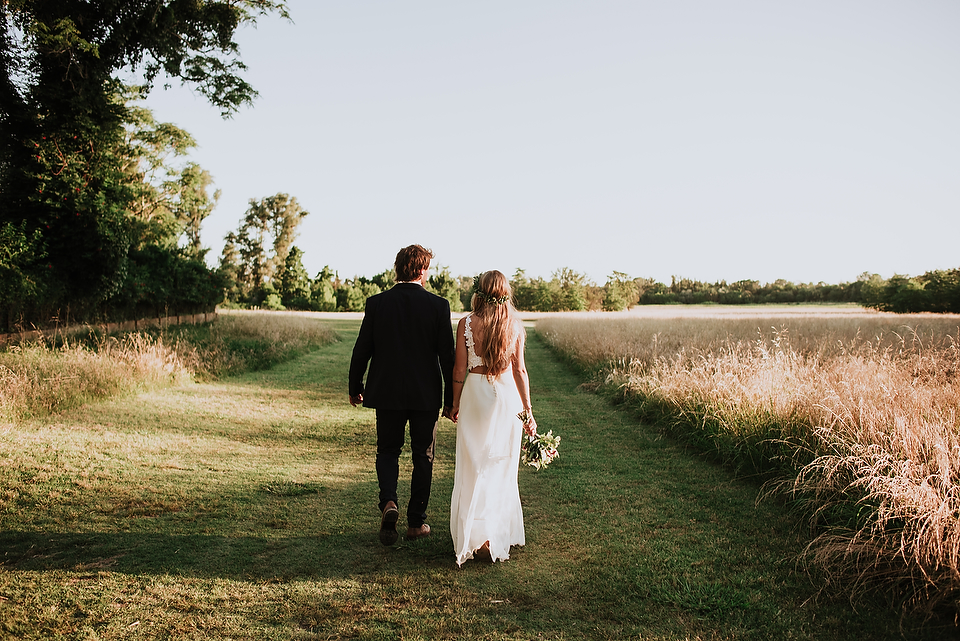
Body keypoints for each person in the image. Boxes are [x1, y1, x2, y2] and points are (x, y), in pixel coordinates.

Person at [348, 244, 455, 546]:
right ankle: (415, 522)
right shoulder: (438, 306)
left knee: (388, 450)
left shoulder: (377, 303)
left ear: (397, 269)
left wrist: (355, 385)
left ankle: (389, 503)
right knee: (424, 455)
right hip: (425, 395)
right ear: (422, 271)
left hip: (387, 392)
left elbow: (362, 348)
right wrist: (450, 401)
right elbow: (446, 357)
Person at [449, 270, 537, 566]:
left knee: (474, 465)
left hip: (475, 395)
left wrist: (454, 402)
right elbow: (520, 371)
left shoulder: (465, 324)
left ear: (480, 291)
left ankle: (478, 535)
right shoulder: (514, 325)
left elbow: (459, 371)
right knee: (500, 465)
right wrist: (528, 411)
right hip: (505, 396)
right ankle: (491, 535)